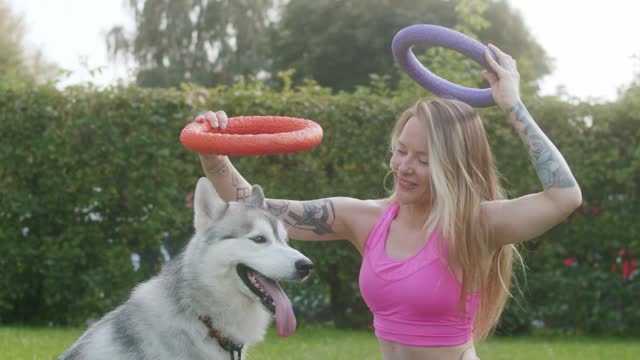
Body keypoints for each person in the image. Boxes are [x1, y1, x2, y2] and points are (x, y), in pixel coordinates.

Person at [195, 44, 582, 360]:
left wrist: (512, 105)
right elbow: (257, 211)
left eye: (424, 160)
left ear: (453, 168)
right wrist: (214, 155)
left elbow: (564, 196)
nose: (405, 167)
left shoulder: (475, 225)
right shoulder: (364, 218)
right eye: (401, 151)